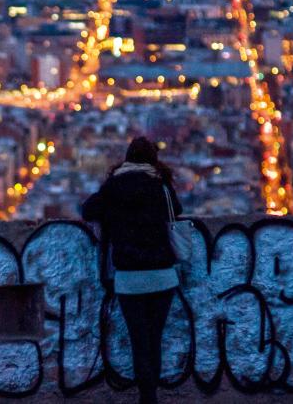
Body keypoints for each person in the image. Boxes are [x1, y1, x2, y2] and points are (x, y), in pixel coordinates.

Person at [81, 136, 182, 404]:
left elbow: (88, 210)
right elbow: (178, 211)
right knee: (155, 339)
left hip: (129, 279)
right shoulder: (160, 186)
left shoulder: (114, 187)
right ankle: (152, 395)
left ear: (127, 158)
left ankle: (146, 397)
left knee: (139, 340)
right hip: (163, 276)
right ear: (153, 159)